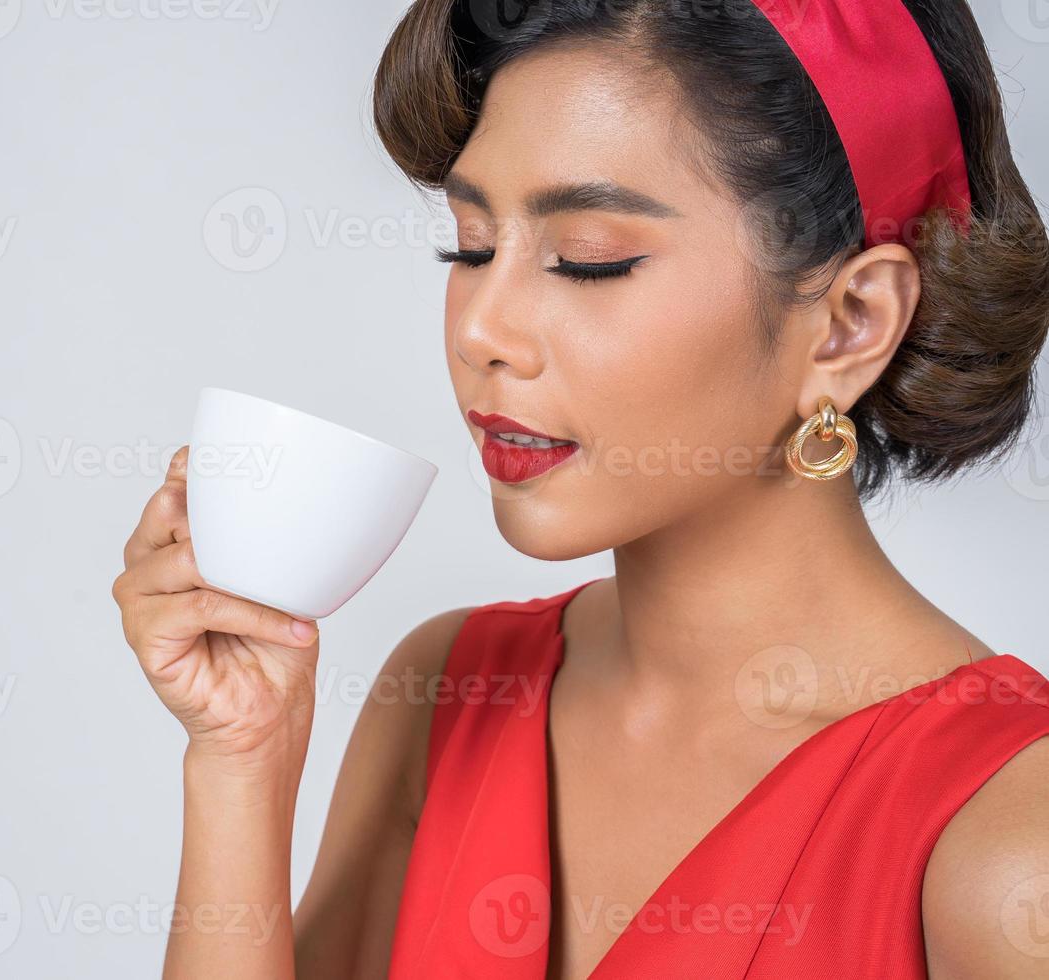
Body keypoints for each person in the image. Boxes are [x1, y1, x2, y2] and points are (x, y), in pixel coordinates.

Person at [112, 1, 1049, 976]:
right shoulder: (447, 691)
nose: (483, 329)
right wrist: (240, 762)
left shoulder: (1009, 839)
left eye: (587, 259)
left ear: (850, 323)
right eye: (471, 246)